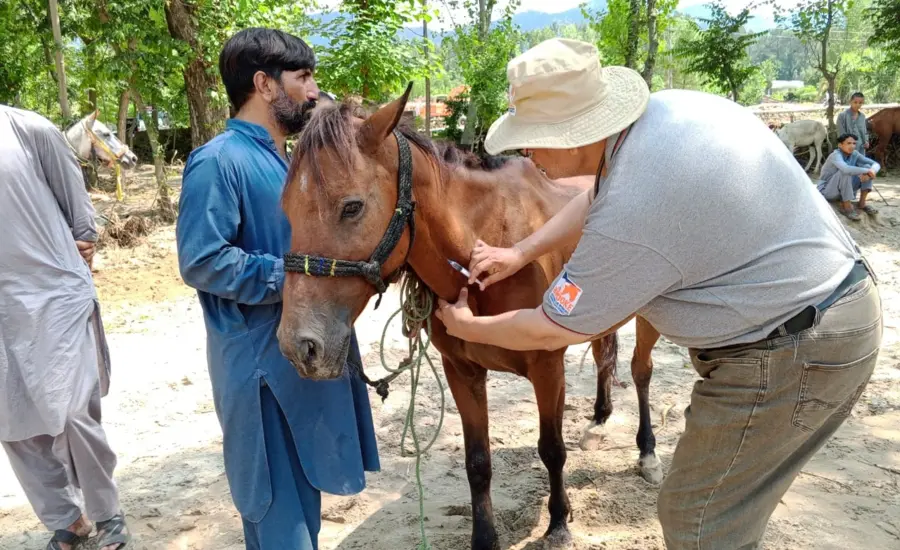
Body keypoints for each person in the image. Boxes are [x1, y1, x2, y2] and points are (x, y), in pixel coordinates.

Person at [435, 39, 881, 550]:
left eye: (534, 139)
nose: (524, 152)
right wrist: (520, 253)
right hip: (823, 308)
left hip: (792, 349)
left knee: (699, 521)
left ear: (577, 132)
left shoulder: (634, 210)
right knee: (720, 514)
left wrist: (469, 328)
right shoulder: (661, 120)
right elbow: (595, 196)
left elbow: (550, 327)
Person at [175, 28, 379, 549]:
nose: (315, 90)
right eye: (304, 77)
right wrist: (292, 277)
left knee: (302, 505)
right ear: (264, 85)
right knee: (277, 516)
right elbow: (202, 260)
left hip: (300, 351)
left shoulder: (289, 161)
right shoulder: (218, 161)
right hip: (259, 367)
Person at [0, 105, 130, 550]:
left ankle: (106, 512)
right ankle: (66, 519)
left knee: (73, 411)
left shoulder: (26, 128)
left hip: (53, 294)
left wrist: (84, 241)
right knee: (12, 420)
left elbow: (78, 211)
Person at [818, 133, 881, 221]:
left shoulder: (854, 154)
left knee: (867, 167)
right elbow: (846, 169)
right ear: (840, 145)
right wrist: (867, 171)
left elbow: (875, 164)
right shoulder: (835, 155)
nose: (852, 146)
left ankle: (862, 204)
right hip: (827, 191)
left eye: (854, 143)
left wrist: (871, 171)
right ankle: (847, 207)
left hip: (842, 189)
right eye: (849, 143)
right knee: (846, 172)